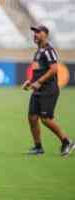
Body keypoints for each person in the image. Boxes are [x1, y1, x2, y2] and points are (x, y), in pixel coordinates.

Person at [22, 25, 74, 156]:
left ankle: (66, 141)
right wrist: (31, 81)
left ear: (45, 34)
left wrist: (39, 82)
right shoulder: (38, 52)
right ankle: (38, 147)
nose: (35, 34)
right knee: (32, 117)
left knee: (45, 119)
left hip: (48, 89)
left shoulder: (48, 50)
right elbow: (38, 71)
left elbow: (54, 69)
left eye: (38, 32)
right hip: (38, 89)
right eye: (34, 32)